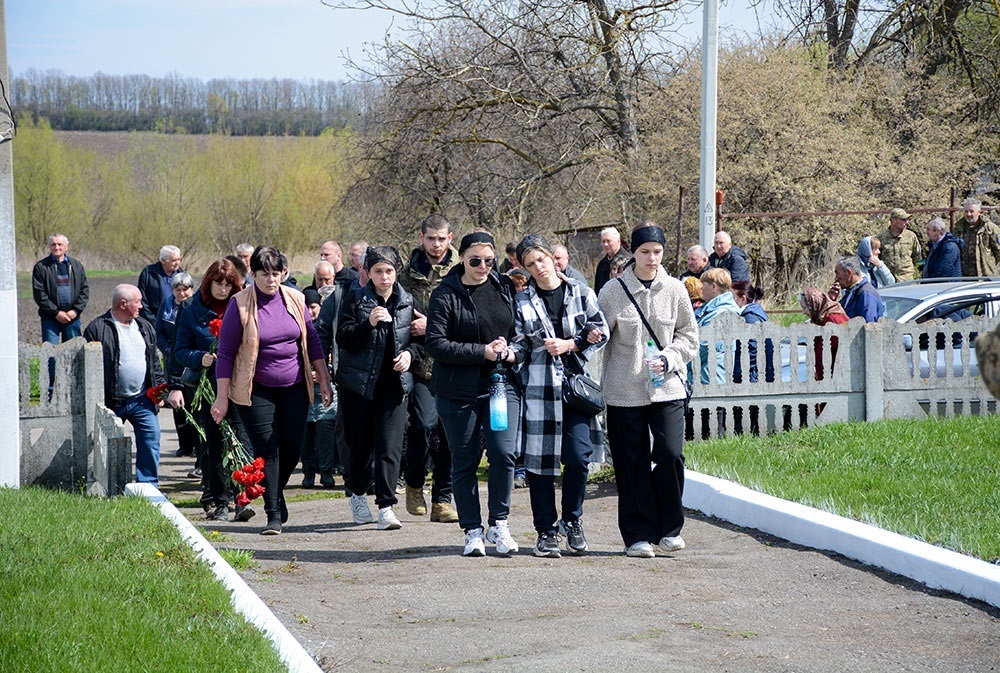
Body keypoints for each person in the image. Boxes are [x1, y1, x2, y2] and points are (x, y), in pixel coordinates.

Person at [211, 246, 333, 535]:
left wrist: (325, 379)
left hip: (295, 385)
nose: (271, 280)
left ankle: (275, 493)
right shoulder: (240, 305)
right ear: (253, 275)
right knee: (268, 448)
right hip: (256, 389)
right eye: (264, 274)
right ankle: (273, 513)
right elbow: (226, 353)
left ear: (283, 273)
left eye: (276, 274)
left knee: (293, 447)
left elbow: (312, 341)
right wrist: (221, 397)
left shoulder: (296, 299)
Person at [598, 223, 698, 558]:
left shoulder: (676, 289)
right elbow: (597, 334)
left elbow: (689, 336)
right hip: (623, 388)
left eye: (657, 252)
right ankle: (637, 535)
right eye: (645, 252)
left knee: (670, 453)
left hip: (667, 387)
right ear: (633, 253)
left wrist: (670, 357)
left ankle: (669, 528)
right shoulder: (613, 291)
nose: (652, 258)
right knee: (631, 462)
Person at [509, 234, 607, 558]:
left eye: (541, 259)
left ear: (552, 258)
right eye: (530, 264)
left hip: (575, 388)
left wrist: (573, 343)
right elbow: (520, 342)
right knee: (539, 464)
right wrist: (509, 353)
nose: (538, 267)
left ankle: (572, 520)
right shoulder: (523, 301)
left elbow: (602, 330)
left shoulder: (581, 291)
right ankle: (546, 531)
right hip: (540, 389)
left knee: (578, 457)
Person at [425, 230, 521, 557]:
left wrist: (509, 350)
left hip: (500, 385)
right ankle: (473, 530)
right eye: (475, 261)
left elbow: (521, 331)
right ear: (462, 258)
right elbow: (436, 343)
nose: (483, 267)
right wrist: (482, 352)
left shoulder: (504, 286)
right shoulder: (445, 293)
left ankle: (499, 523)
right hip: (457, 390)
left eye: (489, 261)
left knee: (503, 453)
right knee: (464, 459)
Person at [336, 246, 422, 530]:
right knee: (359, 447)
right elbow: (343, 337)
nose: (384, 277)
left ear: (397, 272)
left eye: (389, 271)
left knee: (390, 446)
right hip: (359, 386)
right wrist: (368, 323)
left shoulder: (408, 301)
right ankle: (358, 494)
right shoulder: (355, 298)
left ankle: (386, 506)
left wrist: (410, 355)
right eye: (378, 271)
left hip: (393, 386)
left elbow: (420, 340)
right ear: (368, 273)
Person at [170, 259, 256, 522]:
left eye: (228, 284)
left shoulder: (241, 306)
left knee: (240, 440)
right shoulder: (191, 310)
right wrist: (200, 357)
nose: (223, 289)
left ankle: (242, 498)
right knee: (211, 445)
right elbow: (179, 351)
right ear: (209, 283)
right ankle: (218, 501)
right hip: (206, 387)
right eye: (218, 283)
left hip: (238, 384)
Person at [397, 213, 459, 524]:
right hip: (419, 364)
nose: (436, 245)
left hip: (453, 363)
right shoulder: (405, 275)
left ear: (451, 238)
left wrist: (431, 325)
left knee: (448, 434)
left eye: (441, 239)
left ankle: (443, 499)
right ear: (421, 238)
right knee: (422, 425)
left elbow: (471, 314)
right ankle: (414, 482)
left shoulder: (462, 271)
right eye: (431, 239)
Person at [83, 284, 166, 486]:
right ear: (123, 304)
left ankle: (148, 487)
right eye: (137, 302)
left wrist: (160, 390)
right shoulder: (97, 328)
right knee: (106, 446)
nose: (141, 306)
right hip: (112, 401)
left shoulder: (144, 327)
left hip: (142, 400)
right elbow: (88, 367)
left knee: (151, 439)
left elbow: (154, 361)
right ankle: (109, 487)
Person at [154, 272, 199, 461]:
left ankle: (197, 445)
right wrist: (168, 350)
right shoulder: (166, 306)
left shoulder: (195, 307)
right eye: (177, 289)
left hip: (191, 359)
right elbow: (159, 331)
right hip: (172, 359)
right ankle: (184, 445)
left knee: (193, 404)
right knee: (177, 404)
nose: (181, 293)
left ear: (192, 289)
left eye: (185, 289)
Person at [299, 288, 338, 489]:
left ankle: (327, 472)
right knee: (306, 438)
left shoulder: (327, 327)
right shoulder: (297, 328)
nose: (310, 311)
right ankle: (308, 473)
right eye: (306, 307)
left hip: (325, 392)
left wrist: (324, 373)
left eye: (313, 307)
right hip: (304, 391)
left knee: (325, 436)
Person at [32, 233, 90, 346]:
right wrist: (56, 313)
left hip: (72, 318)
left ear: (66, 247)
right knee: (50, 353)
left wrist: (75, 311)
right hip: (50, 318)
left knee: (73, 352)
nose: (56, 247)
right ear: (49, 246)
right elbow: (39, 294)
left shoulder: (76, 266)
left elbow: (84, 290)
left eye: (59, 244)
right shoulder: (41, 267)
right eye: (53, 244)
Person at [696, 267, 741, 385]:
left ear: (714, 287)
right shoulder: (709, 310)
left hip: (710, 382)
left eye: (703, 284)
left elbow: (705, 348)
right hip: (701, 378)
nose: (701, 288)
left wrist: (676, 363)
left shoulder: (724, 314)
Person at [800, 287, 848, 381]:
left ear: (814, 304)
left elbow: (839, 354)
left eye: (805, 308)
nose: (804, 312)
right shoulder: (822, 320)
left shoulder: (833, 321)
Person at [731, 280, 773, 384]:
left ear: (743, 299)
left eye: (733, 297)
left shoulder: (749, 318)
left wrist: (738, 375)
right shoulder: (755, 313)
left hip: (751, 378)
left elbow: (751, 351)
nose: (731, 301)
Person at [137, 245, 184, 324]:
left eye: (179, 259)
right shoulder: (149, 273)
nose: (177, 263)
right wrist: (154, 322)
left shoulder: (182, 274)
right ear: (163, 260)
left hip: (176, 322)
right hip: (153, 321)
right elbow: (142, 300)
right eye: (174, 260)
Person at [954, 198, 1000, 277]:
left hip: (986, 276)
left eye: (971, 211)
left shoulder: (990, 228)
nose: (968, 214)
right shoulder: (958, 228)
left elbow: (998, 251)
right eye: (966, 211)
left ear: (979, 212)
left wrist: (990, 266)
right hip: (964, 276)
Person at [830, 256, 884, 323]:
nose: (836, 278)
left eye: (837, 274)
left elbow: (867, 325)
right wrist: (831, 301)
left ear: (848, 273)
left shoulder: (866, 294)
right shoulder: (851, 293)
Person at [878, 208, 922, 281]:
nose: (906, 222)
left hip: (907, 279)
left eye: (907, 220)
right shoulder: (881, 238)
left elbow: (916, 255)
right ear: (894, 221)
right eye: (903, 220)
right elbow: (877, 258)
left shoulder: (911, 236)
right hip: (888, 279)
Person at [594, 227, 631, 296]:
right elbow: (597, 290)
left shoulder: (628, 261)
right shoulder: (602, 264)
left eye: (608, 241)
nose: (605, 244)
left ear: (618, 241)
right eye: (603, 241)